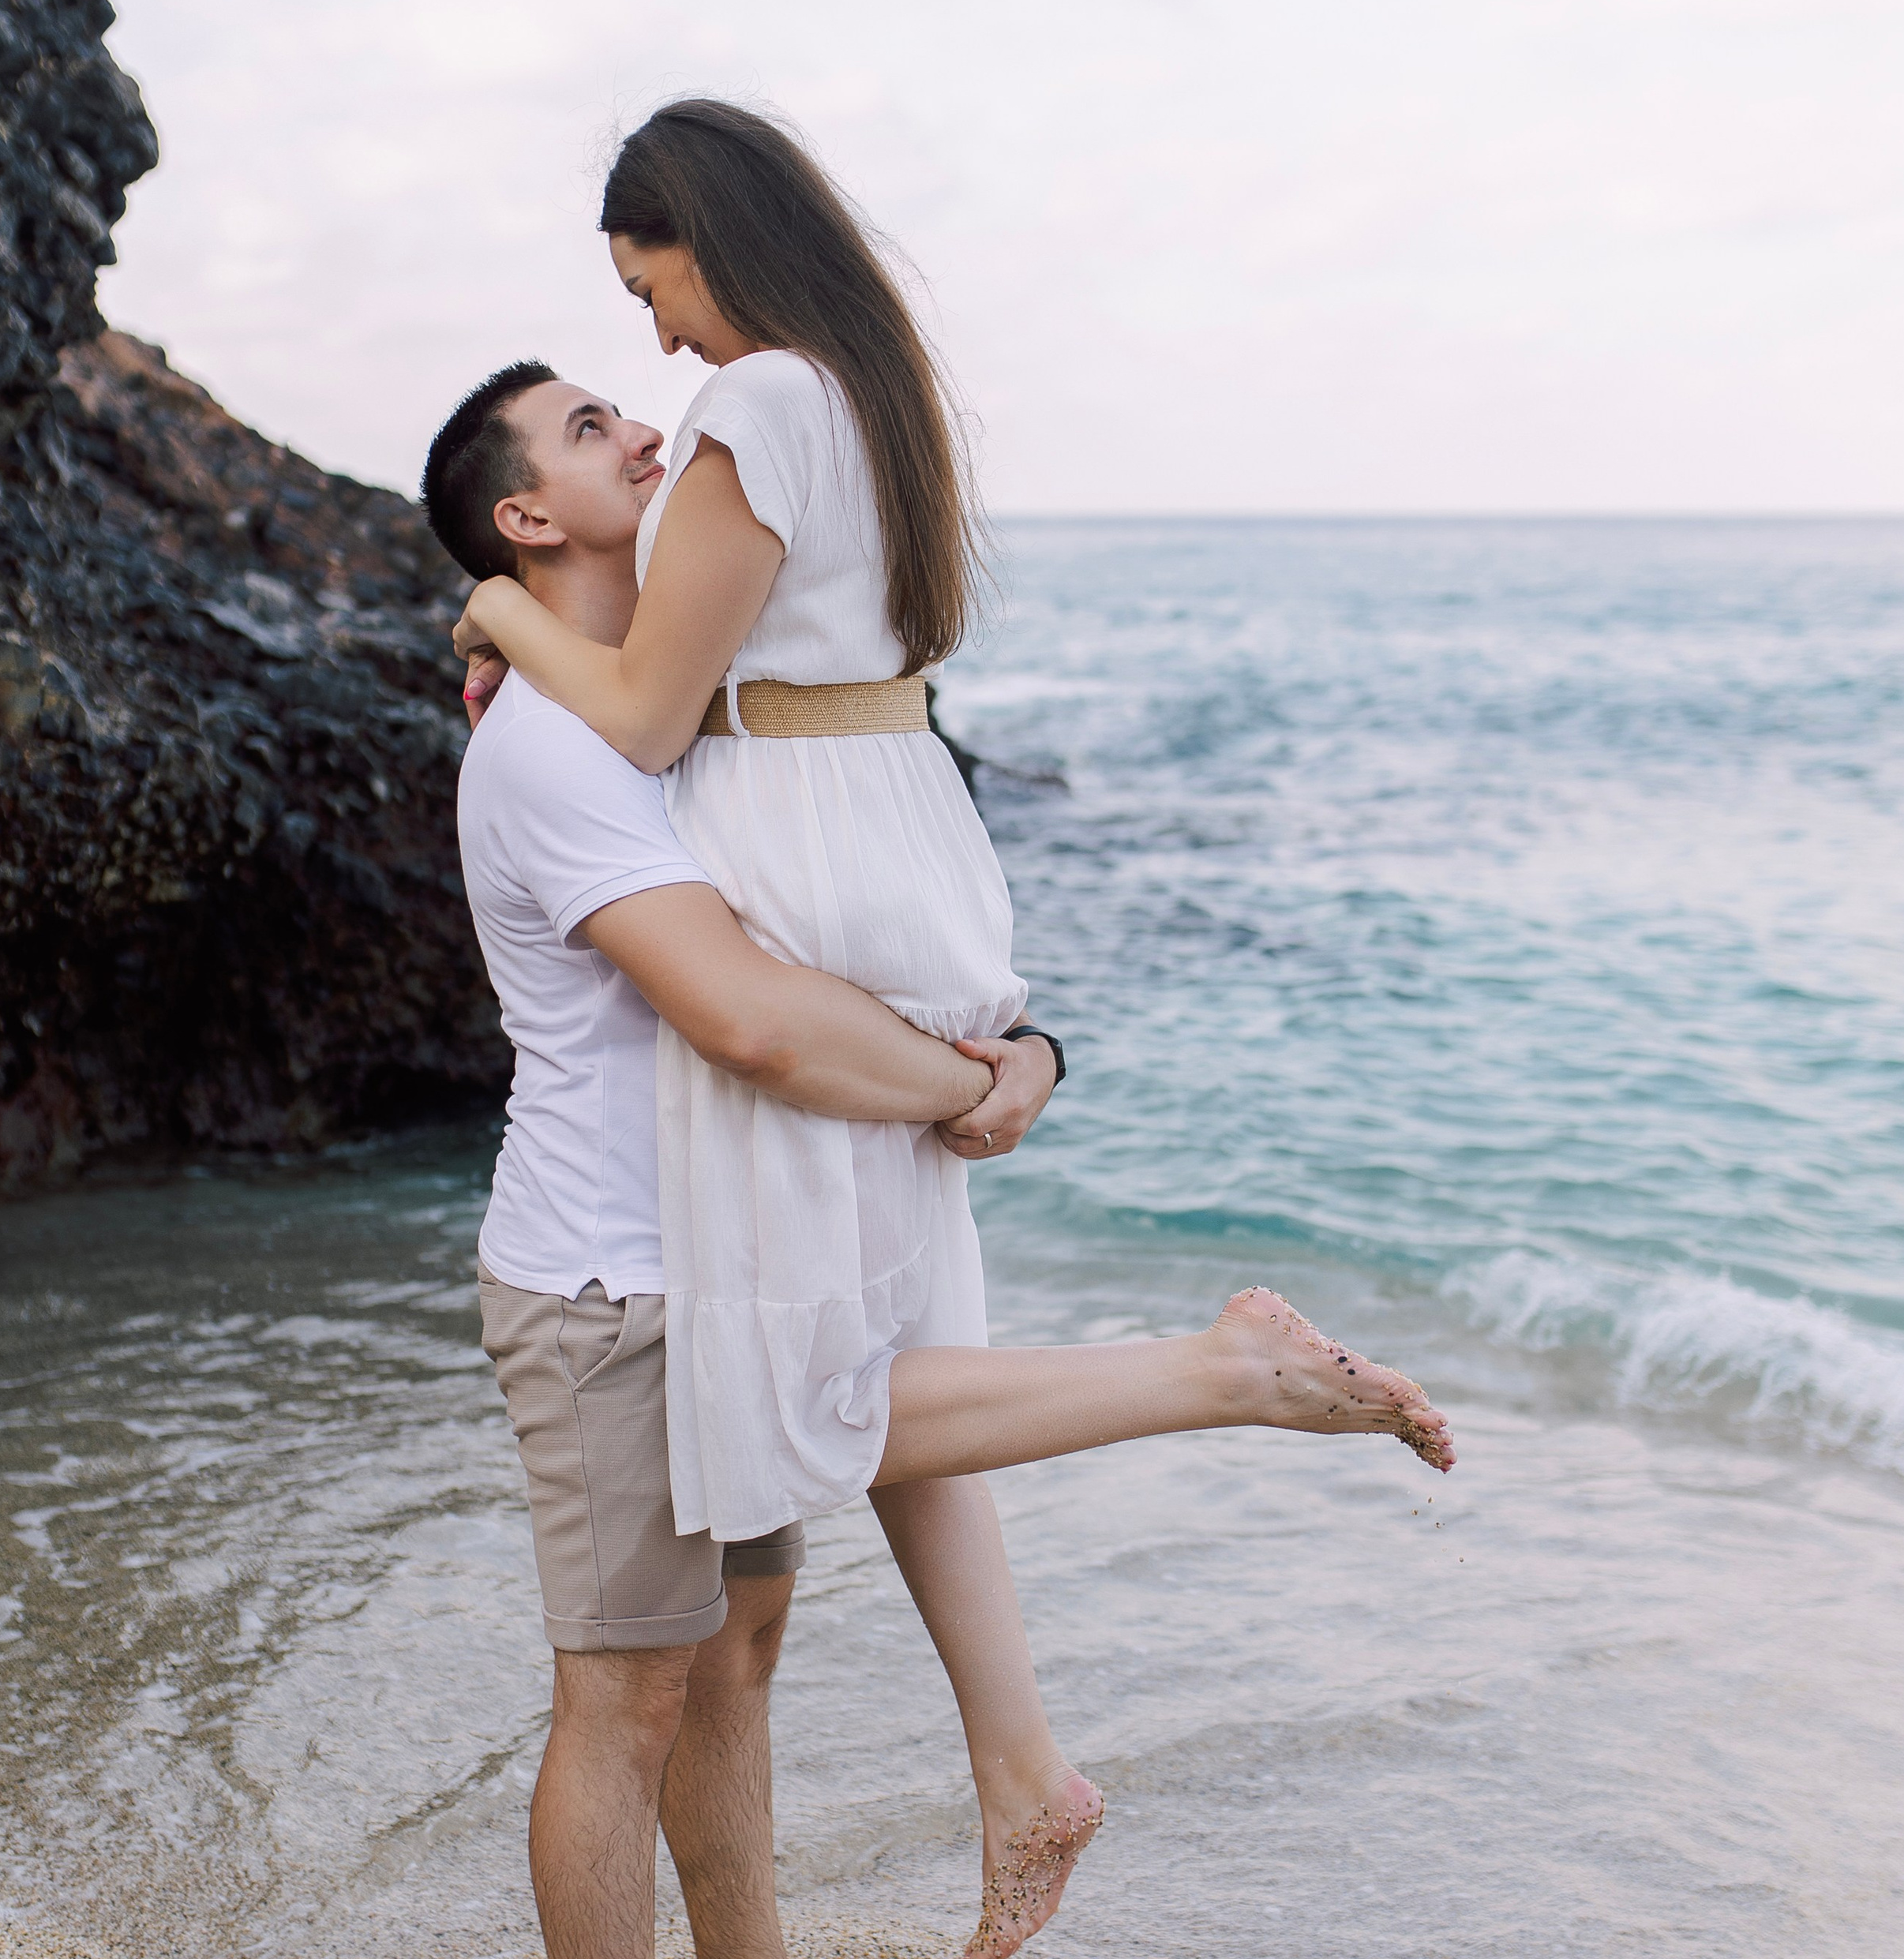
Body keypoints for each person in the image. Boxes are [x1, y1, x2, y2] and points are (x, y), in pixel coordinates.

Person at [446, 103, 1453, 1954]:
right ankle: (1031, 1739)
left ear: (707, 236)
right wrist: (1002, 1058)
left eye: (650, 291)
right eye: (599, 397)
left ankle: (1157, 1486)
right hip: (871, 882)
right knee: (856, 1404)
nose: (656, 356)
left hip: (806, 926)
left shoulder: (753, 415)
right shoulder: (860, 394)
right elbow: (728, 883)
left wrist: (508, 604)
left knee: (808, 1441)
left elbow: (664, 728)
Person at [433, 362, 1063, 1959]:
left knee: (735, 1660)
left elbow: (840, 924)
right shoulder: (556, 749)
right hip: (609, 1285)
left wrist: (1029, 1047)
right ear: (524, 516)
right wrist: (974, 1085)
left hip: (724, 1258)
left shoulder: (668, 715)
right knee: (622, 1696)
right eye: (591, 429)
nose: (648, 429)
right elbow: (752, 1019)